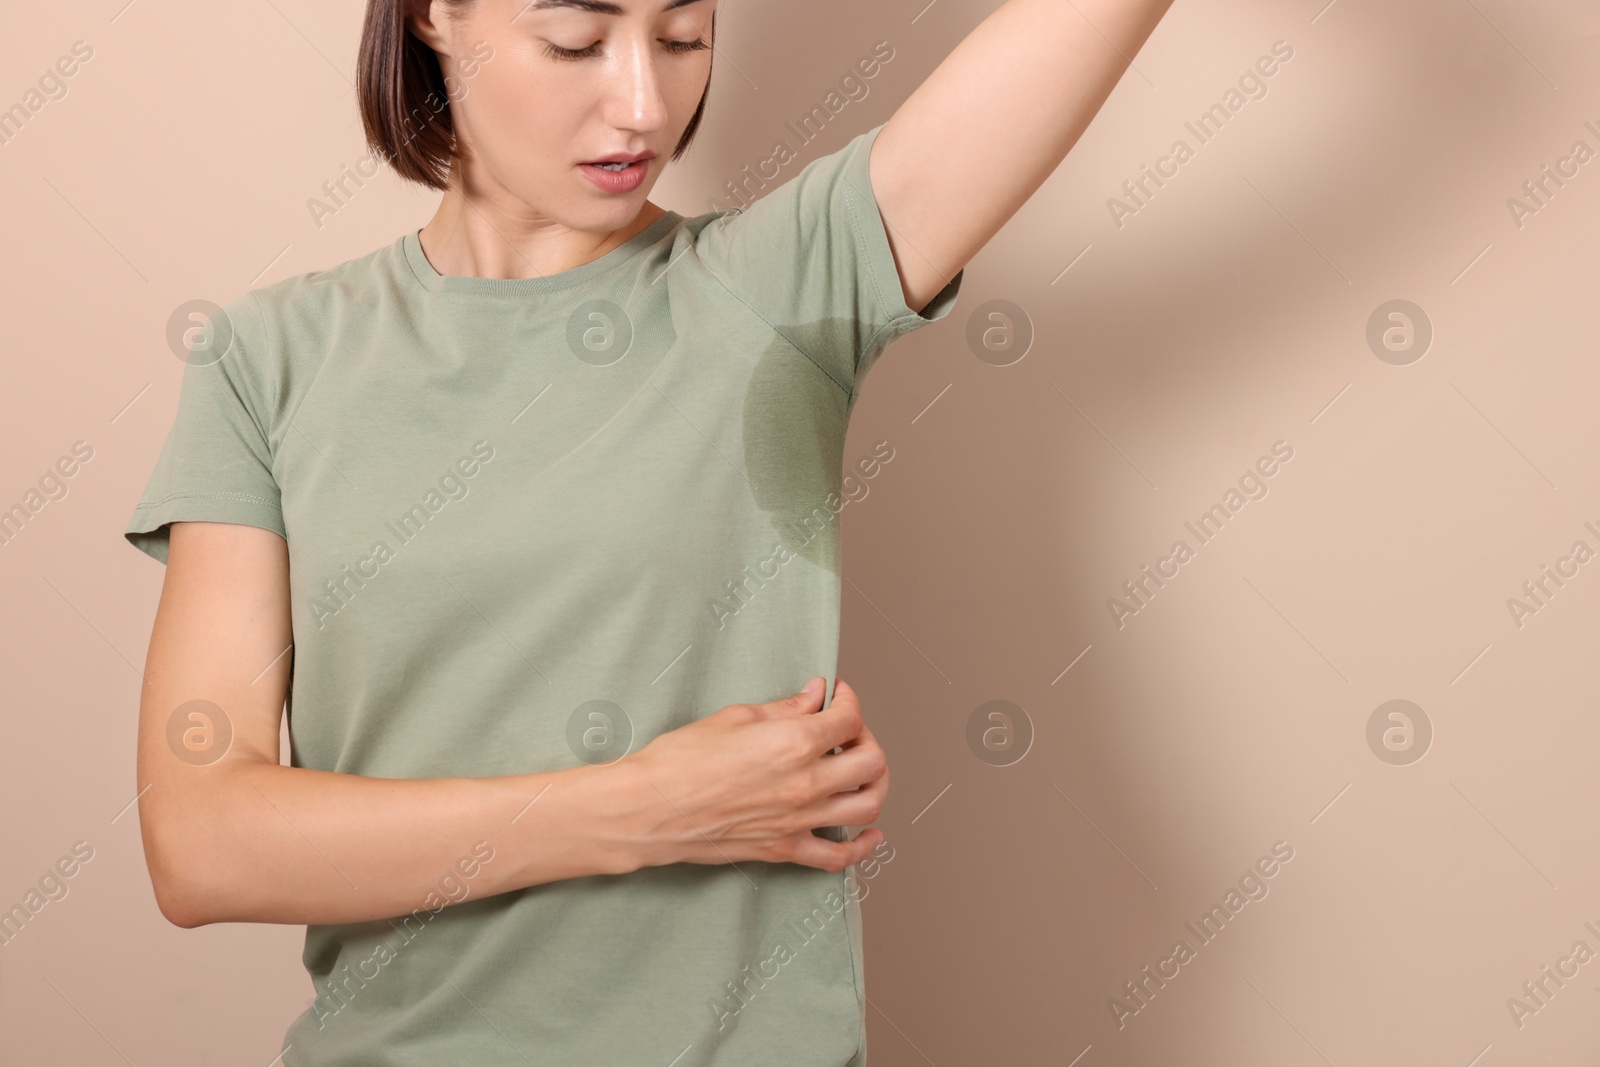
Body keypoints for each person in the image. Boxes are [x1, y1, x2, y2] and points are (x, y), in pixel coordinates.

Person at [123, 0, 1173, 1062]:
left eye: (683, 37)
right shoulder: (268, 360)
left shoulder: (778, 292)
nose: (645, 107)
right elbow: (202, 841)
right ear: (439, 15)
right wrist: (645, 807)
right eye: (576, 41)